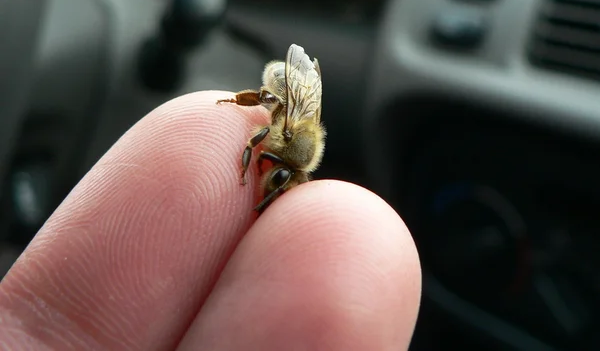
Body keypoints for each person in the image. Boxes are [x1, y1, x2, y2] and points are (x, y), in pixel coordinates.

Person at [0, 91, 421, 350]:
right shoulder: (277, 140)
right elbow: (262, 136)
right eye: (275, 179)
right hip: (278, 97)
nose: (267, 184)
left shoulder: (289, 159)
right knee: (263, 115)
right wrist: (241, 167)